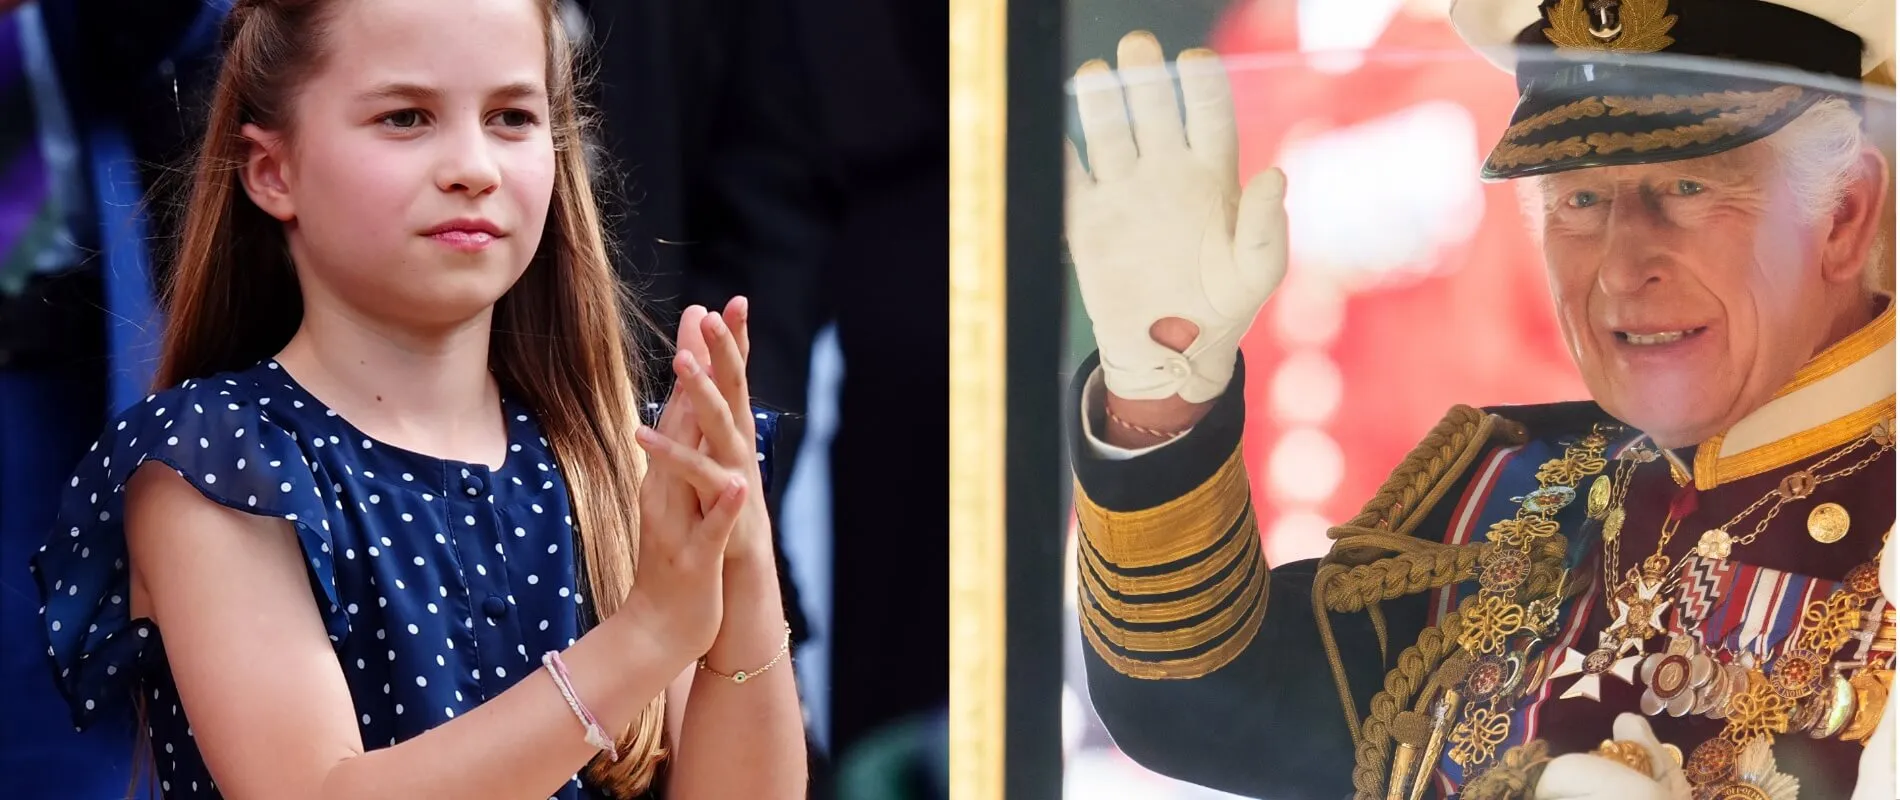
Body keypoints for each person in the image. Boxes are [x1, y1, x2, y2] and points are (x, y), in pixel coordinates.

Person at [1063, 0, 1897, 797]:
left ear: (1845, 216)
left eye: (1686, 191)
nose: (1618, 268)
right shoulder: (1516, 489)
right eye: (1580, 199)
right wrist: (1159, 390)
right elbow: (1201, 704)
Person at [27, 1, 806, 798]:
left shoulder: (614, 456)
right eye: (406, 117)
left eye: (511, 116)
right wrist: (645, 636)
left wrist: (740, 571)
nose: (473, 165)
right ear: (272, 171)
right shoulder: (216, 461)